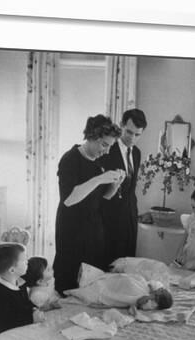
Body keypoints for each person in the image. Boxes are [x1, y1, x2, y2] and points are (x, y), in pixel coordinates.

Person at [53, 114, 125, 296]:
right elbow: (69, 199)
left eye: (110, 146)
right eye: (104, 145)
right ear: (92, 137)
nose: (107, 151)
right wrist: (100, 179)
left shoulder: (99, 161)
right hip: (72, 229)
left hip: (93, 228)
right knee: (69, 283)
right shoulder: (70, 160)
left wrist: (115, 185)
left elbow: (103, 198)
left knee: (91, 282)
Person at [99, 109, 147, 267]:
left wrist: (135, 215)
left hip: (130, 218)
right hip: (109, 218)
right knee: (109, 266)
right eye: (129, 132)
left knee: (127, 265)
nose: (132, 138)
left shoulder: (137, 153)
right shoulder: (106, 150)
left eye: (137, 135)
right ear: (121, 126)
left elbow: (131, 188)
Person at [0, 243, 45, 338]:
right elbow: (7, 321)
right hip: (4, 336)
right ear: (12, 270)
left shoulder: (20, 283)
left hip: (21, 330)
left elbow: (24, 304)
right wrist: (31, 318)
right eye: (24, 260)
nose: (27, 262)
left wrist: (34, 308)